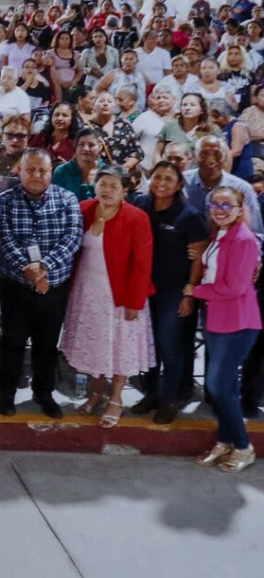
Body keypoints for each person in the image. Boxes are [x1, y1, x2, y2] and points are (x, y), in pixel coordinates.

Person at [60, 167, 155, 428]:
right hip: (87, 292)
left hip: (121, 296)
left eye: (114, 186)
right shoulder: (84, 209)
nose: (107, 190)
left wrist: (135, 301)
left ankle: (115, 399)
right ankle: (96, 393)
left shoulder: (137, 218)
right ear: (94, 184)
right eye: (103, 184)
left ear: (125, 191)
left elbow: (143, 264)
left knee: (119, 348)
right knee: (94, 347)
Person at [0, 149, 83, 418]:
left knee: (47, 344)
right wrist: (28, 269)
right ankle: (6, 394)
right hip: (16, 285)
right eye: (30, 170)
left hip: (53, 286)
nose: (36, 175)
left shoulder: (67, 199)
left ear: (50, 172)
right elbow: (3, 238)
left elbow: (72, 238)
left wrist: (43, 268)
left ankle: (44, 393)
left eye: (42, 171)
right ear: (19, 170)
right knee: (12, 342)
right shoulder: (5, 201)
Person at [133, 160, 208, 425]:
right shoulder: (141, 204)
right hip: (144, 288)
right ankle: (151, 393)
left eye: (168, 179)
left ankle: (170, 399)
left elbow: (199, 258)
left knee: (169, 346)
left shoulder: (189, 216)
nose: (161, 183)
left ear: (178, 185)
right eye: (157, 177)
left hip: (174, 292)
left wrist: (189, 294)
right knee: (148, 345)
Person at [192, 186, 261, 472]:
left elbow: (234, 287)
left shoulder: (244, 240)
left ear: (239, 208)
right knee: (225, 386)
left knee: (218, 385)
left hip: (238, 322)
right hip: (217, 320)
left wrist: (194, 290)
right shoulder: (218, 235)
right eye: (215, 204)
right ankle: (225, 439)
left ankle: (243, 447)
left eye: (227, 205)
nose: (220, 209)